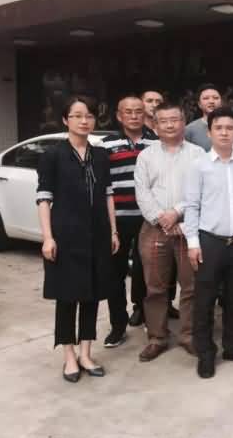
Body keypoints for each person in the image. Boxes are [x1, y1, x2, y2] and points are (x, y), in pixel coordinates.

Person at [37, 97, 119, 382]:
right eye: (77, 115)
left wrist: (113, 230)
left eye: (89, 116)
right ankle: (69, 356)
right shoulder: (53, 155)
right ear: (65, 120)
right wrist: (47, 237)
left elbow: (108, 194)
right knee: (67, 296)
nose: (84, 121)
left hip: (97, 234)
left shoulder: (100, 155)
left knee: (92, 294)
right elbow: (43, 198)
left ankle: (86, 352)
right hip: (65, 235)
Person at [184, 107, 233, 379]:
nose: (224, 133)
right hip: (209, 242)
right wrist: (192, 243)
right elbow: (192, 206)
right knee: (204, 300)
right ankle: (205, 353)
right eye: (219, 128)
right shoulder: (199, 166)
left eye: (230, 128)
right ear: (209, 132)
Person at [135, 102, 205, 362]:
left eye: (174, 119)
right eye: (163, 121)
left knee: (191, 286)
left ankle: (189, 335)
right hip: (154, 228)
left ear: (183, 122)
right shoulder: (146, 156)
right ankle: (157, 337)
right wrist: (161, 218)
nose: (169, 125)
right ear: (155, 125)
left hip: (189, 227)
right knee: (155, 287)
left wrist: (176, 212)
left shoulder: (198, 154)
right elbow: (142, 192)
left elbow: (201, 189)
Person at [100, 96, 158, 347]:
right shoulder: (105, 145)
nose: (134, 116)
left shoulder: (155, 143)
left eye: (138, 111)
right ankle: (118, 325)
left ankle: (145, 314)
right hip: (118, 219)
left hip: (148, 218)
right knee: (115, 274)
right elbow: (103, 184)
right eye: (128, 112)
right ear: (119, 116)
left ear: (145, 114)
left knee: (148, 272)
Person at [184, 83, 223, 151]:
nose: (211, 101)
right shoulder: (189, 130)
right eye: (206, 98)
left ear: (221, 103)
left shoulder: (231, 126)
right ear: (199, 104)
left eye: (215, 98)